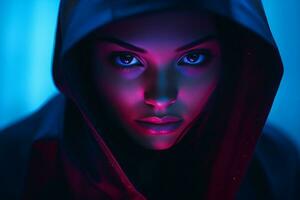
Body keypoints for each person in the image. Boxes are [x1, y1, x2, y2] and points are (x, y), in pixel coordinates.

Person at [0, 0, 299, 199]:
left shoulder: (277, 167)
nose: (160, 97)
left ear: (231, 59)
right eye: (127, 60)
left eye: (192, 58)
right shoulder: (13, 165)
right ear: (82, 62)